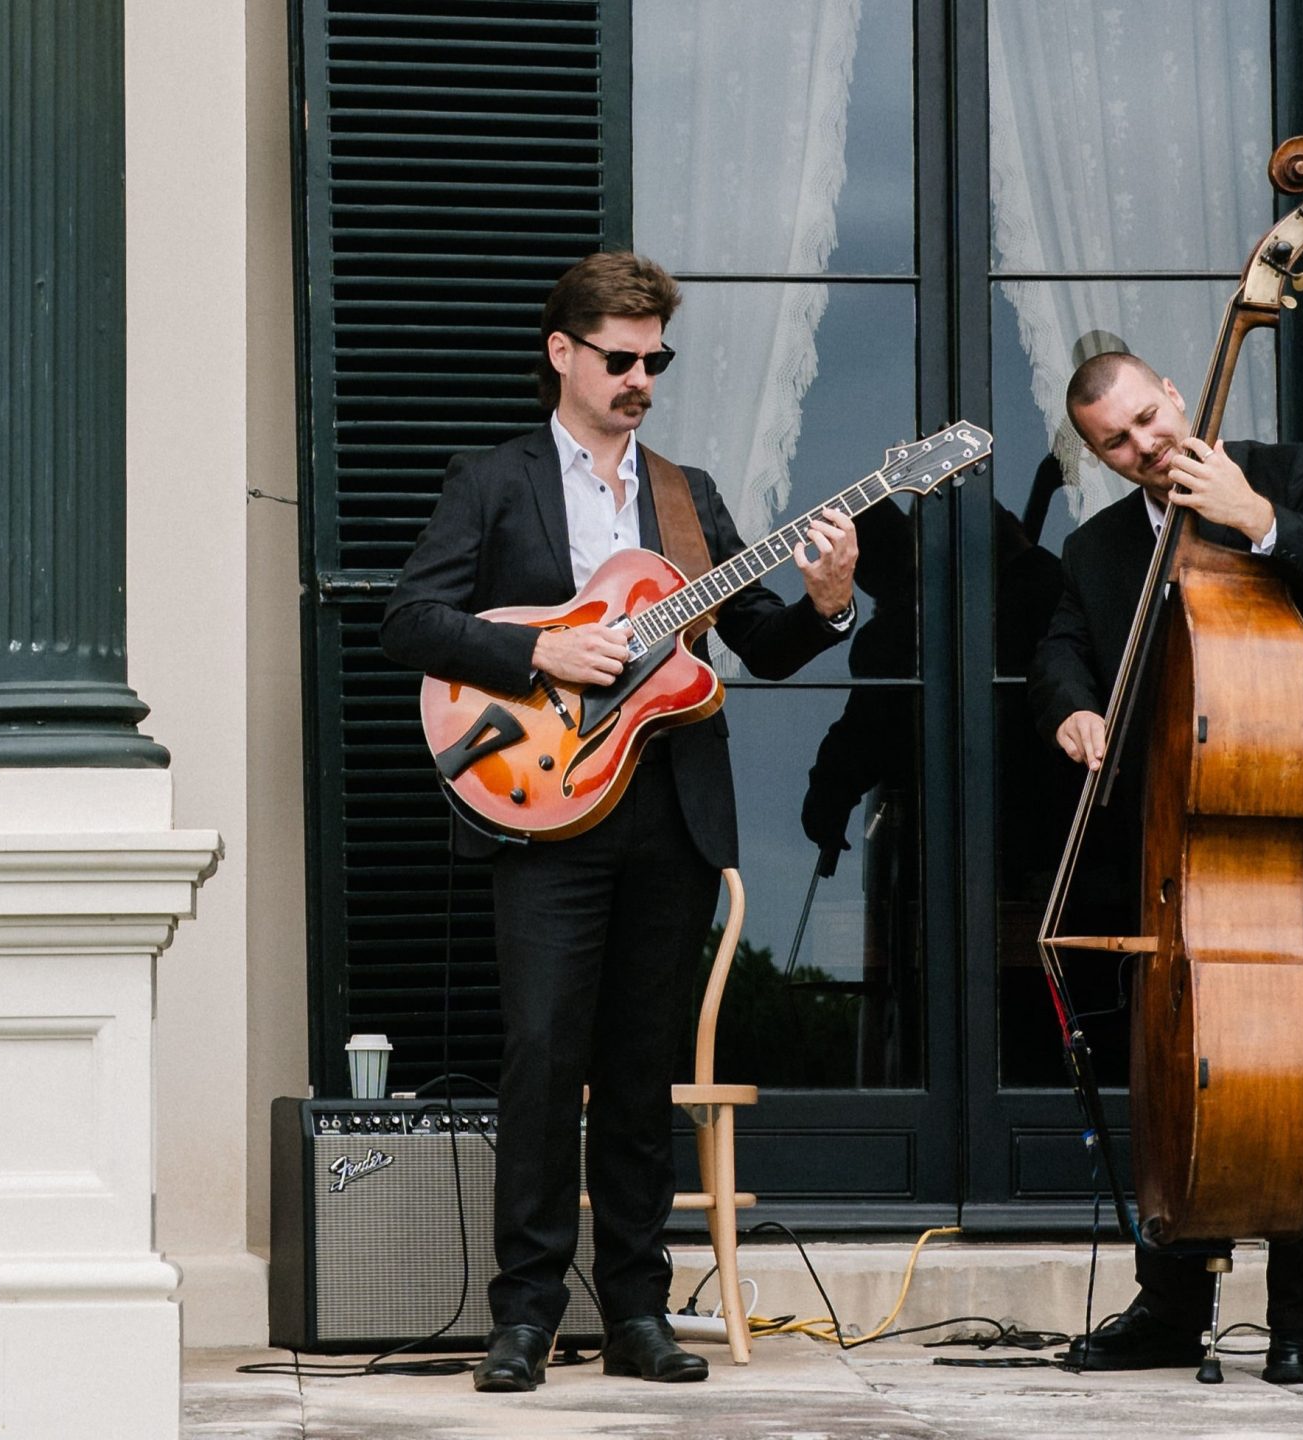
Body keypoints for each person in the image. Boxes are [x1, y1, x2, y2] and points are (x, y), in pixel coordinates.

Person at [379, 251, 860, 1392]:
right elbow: (411, 620)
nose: (641, 377)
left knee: (642, 1070)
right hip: (543, 811)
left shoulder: (687, 499)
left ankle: (639, 1312)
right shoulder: (493, 481)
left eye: (656, 359)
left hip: (668, 811)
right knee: (543, 1058)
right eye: (620, 358)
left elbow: (763, 647)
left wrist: (831, 604)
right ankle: (525, 1316)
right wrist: (538, 648)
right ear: (563, 354)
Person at [1033, 350, 1303, 1386]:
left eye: (1148, 420)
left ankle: (1299, 1318)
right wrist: (1069, 705)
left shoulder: (1295, 473)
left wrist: (1256, 519)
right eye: (1116, 441)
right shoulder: (1098, 548)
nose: (1143, 447)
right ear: (1097, 454)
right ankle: (1171, 1304)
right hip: (1173, 834)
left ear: (1178, 397)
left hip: (1300, 824)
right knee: (1169, 1060)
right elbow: (1060, 649)